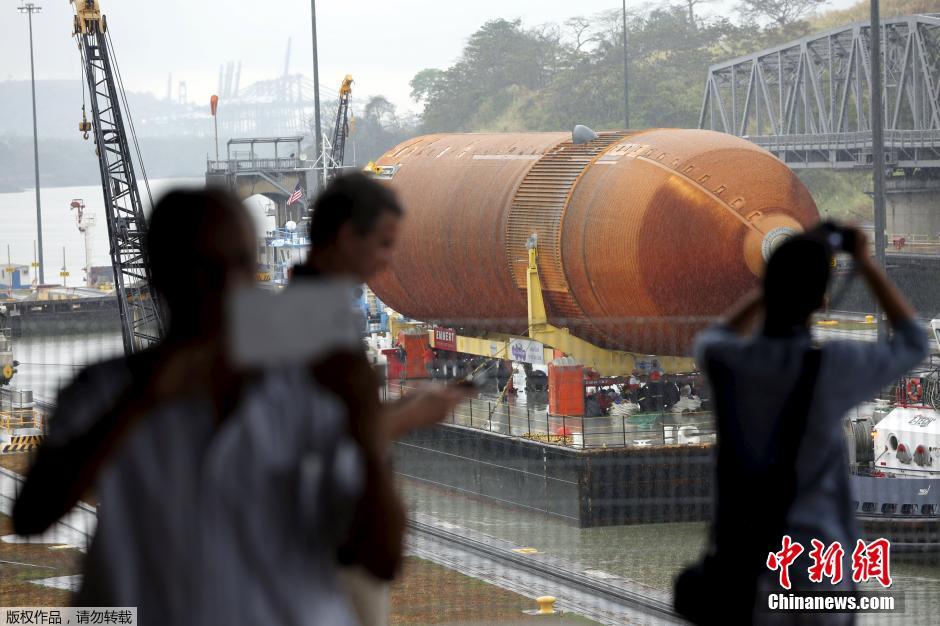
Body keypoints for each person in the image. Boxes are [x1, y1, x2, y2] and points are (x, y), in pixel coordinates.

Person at [15, 189, 369, 624]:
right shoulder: (105, 391)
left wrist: (364, 421)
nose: (224, 285)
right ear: (164, 272)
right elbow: (32, 513)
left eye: (240, 263)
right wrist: (142, 401)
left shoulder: (306, 389)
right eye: (204, 267)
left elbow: (373, 549)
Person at [674, 225, 927, 625]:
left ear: (769, 288)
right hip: (817, 560)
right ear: (821, 301)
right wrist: (863, 260)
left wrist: (775, 284)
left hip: (746, 558)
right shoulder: (832, 368)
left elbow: (712, 336)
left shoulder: (728, 362)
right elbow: (914, 341)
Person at [296, 172, 470, 623]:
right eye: (384, 243)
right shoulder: (312, 325)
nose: (388, 260)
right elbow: (312, 440)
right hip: (330, 553)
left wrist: (395, 410)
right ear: (347, 236)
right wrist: (409, 416)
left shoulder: (315, 315)